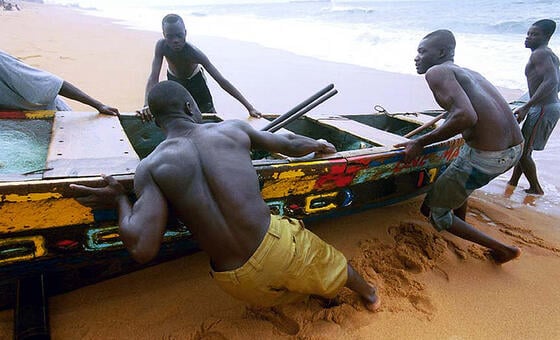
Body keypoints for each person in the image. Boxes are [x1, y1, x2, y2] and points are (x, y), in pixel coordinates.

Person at [71, 81, 380, 311]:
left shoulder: (150, 168)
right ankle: (370, 296)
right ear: (192, 107)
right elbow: (287, 143)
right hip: (278, 249)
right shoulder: (231, 130)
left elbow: (141, 248)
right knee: (336, 266)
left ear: (154, 119)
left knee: (292, 282)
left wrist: (119, 199)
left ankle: (308, 288)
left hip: (236, 282)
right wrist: (318, 143)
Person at [394, 30, 524, 264]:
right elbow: (468, 111)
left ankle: (504, 250)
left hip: (488, 156)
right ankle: (460, 217)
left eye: (422, 51)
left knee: (433, 211)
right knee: (460, 164)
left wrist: (418, 143)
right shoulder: (468, 73)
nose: (416, 57)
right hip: (515, 149)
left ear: (441, 53)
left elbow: (465, 116)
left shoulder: (437, 71)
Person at [138, 13, 261, 120]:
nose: (175, 40)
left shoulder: (194, 53)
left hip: (196, 82)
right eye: (170, 36)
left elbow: (222, 81)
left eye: (179, 35)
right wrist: (146, 105)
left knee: (207, 115)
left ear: (185, 33)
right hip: (175, 82)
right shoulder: (161, 46)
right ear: (164, 35)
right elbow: (153, 78)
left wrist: (249, 108)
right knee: (178, 115)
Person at [507, 19, 560, 195]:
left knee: (522, 151)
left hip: (543, 108)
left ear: (547, 36)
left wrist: (527, 106)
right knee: (525, 148)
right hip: (546, 106)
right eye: (528, 33)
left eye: (534, 34)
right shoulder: (549, 54)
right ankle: (513, 182)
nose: (528, 37)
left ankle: (536, 188)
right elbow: (556, 83)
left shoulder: (540, 54)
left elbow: (552, 81)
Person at [0, 50, 119, 115]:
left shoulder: (3, 63)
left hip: (53, 116)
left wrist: (99, 105)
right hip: (17, 120)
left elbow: (52, 83)